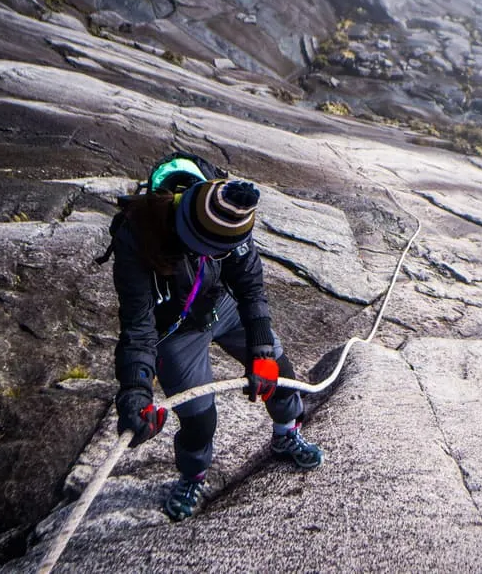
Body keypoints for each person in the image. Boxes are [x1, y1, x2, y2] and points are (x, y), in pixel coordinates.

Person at [110, 153, 323, 522]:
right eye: (214, 251)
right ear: (192, 238)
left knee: (279, 370)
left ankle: (286, 433)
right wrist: (136, 389)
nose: (225, 255)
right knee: (199, 418)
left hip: (219, 305)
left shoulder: (230, 216)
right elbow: (138, 324)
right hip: (174, 329)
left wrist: (261, 351)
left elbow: (250, 288)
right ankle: (193, 475)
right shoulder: (137, 237)